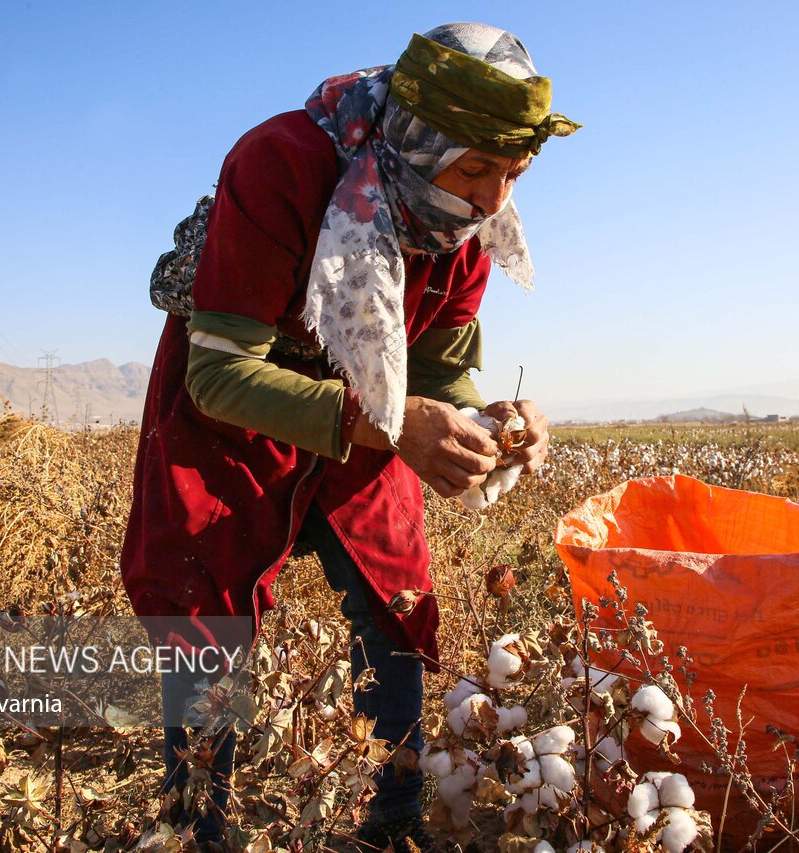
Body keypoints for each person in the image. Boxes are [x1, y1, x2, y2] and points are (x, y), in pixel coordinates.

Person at [121, 22, 577, 852]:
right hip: (237, 402)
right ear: (420, 138)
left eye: (514, 173)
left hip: (373, 402)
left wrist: (490, 422)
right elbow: (219, 373)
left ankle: (393, 817)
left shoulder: (465, 231)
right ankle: (195, 825)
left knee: (394, 590)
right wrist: (389, 421)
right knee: (202, 607)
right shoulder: (283, 165)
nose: (493, 200)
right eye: (475, 169)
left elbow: (437, 372)